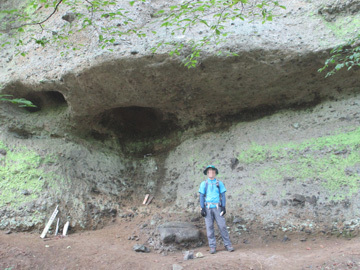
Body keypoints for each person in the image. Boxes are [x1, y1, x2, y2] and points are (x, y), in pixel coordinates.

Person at [199, 165, 234, 254]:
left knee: (222, 226)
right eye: (210, 172)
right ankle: (212, 246)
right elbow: (201, 196)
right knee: (209, 227)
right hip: (208, 208)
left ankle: (228, 244)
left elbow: (223, 195)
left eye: (213, 172)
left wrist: (223, 206)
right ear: (207, 173)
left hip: (217, 207)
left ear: (215, 173)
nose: (212, 173)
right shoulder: (204, 183)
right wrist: (202, 208)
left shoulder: (219, 183)